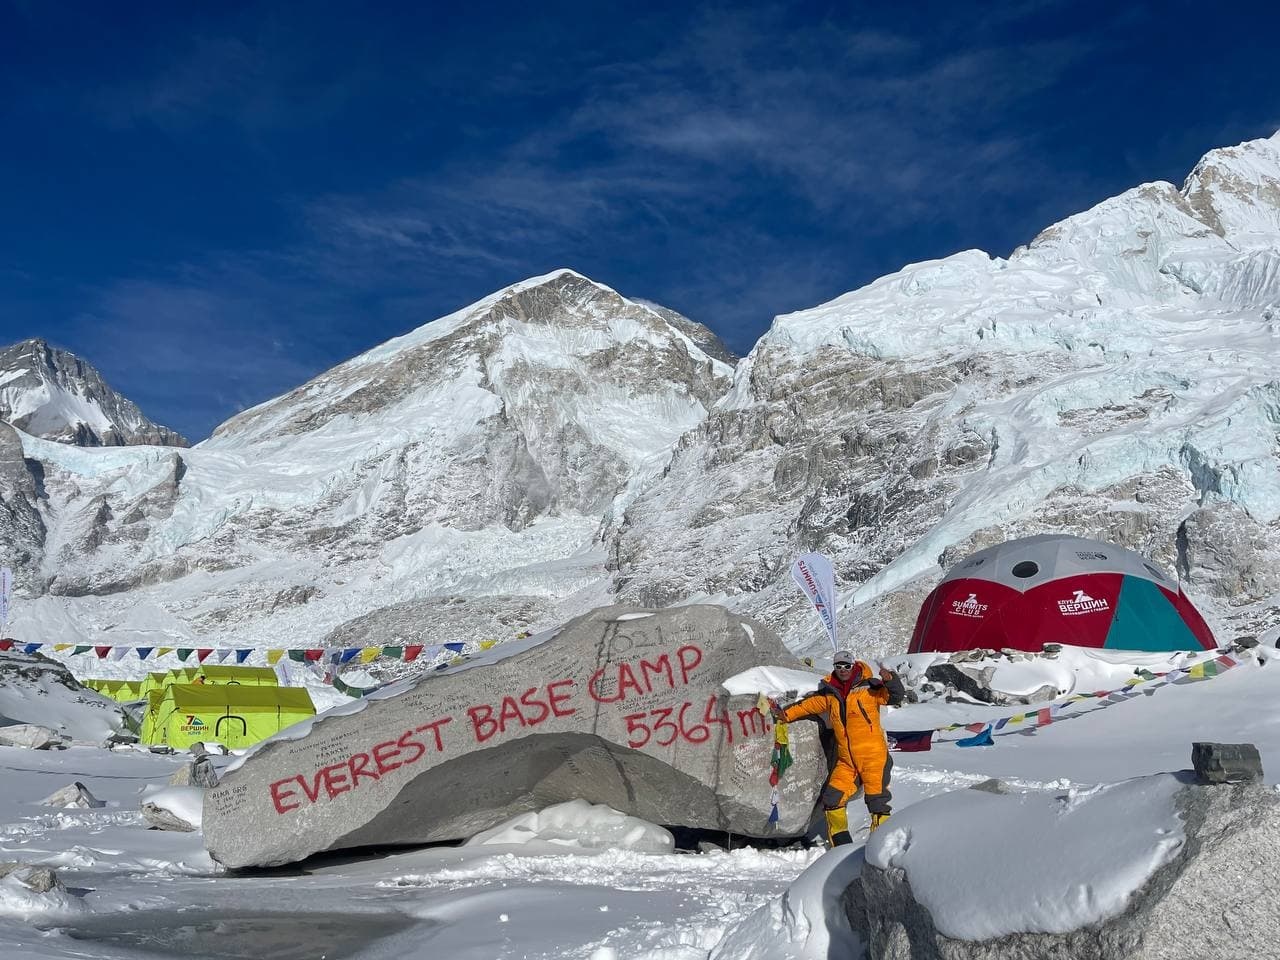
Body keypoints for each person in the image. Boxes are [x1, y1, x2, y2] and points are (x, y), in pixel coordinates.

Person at [772, 650, 904, 845]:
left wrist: (891, 679)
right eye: (838, 666)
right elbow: (807, 706)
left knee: (877, 802)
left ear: (853, 666)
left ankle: (882, 848)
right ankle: (841, 846)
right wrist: (785, 715)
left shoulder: (870, 687)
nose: (843, 670)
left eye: (847, 666)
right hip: (847, 761)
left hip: (873, 757)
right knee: (832, 799)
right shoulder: (830, 693)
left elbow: (895, 696)